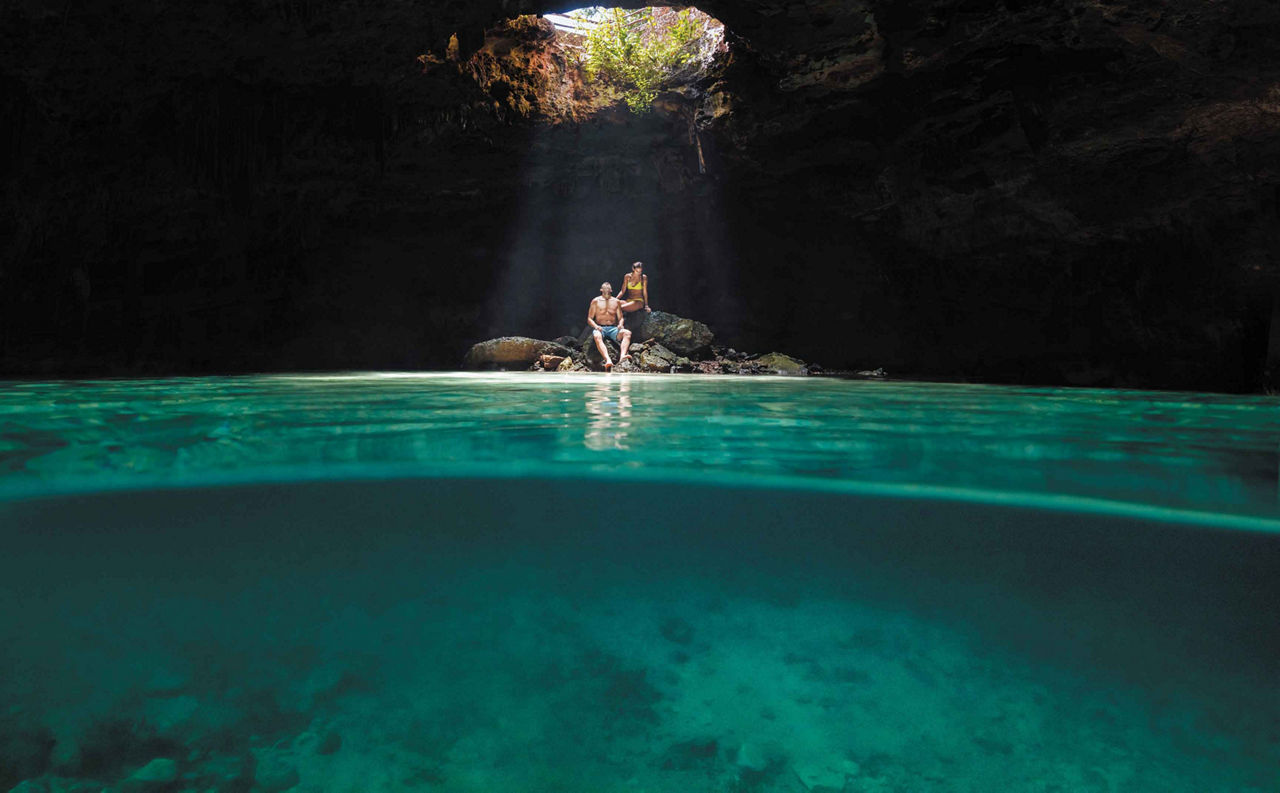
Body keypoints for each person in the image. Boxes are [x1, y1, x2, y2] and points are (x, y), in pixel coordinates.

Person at [587, 282, 632, 371]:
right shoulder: (596, 301)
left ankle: (622, 356)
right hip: (600, 328)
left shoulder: (616, 302)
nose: (607, 288)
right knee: (596, 336)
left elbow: (621, 318)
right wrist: (596, 326)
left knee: (627, 333)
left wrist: (620, 324)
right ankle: (608, 360)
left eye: (609, 287)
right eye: (604, 287)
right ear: (601, 289)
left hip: (613, 328)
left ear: (611, 290)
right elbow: (589, 318)